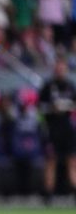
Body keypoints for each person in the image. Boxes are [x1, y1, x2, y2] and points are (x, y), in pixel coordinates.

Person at [39, 58, 76, 202]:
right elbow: (40, 108)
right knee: (51, 160)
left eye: (62, 68)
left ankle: (73, 189)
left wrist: (67, 107)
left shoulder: (70, 86)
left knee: (71, 160)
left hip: (67, 129)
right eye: (58, 68)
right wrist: (51, 109)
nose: (60, 71)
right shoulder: (48, 87)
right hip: (52, 129)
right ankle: (48, 194)